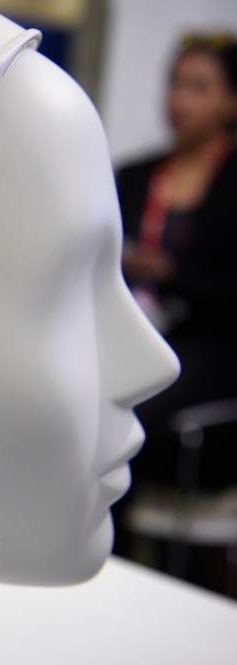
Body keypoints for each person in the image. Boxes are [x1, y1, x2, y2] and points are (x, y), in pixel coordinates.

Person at [115, 35, 237, 555]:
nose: (179, 99)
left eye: (199, 87)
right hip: (134, 324)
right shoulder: (135, 176)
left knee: (131, 407)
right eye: (175, 83)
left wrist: (170, 273)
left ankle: (110, 555)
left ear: (231, 101)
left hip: (213, 342)